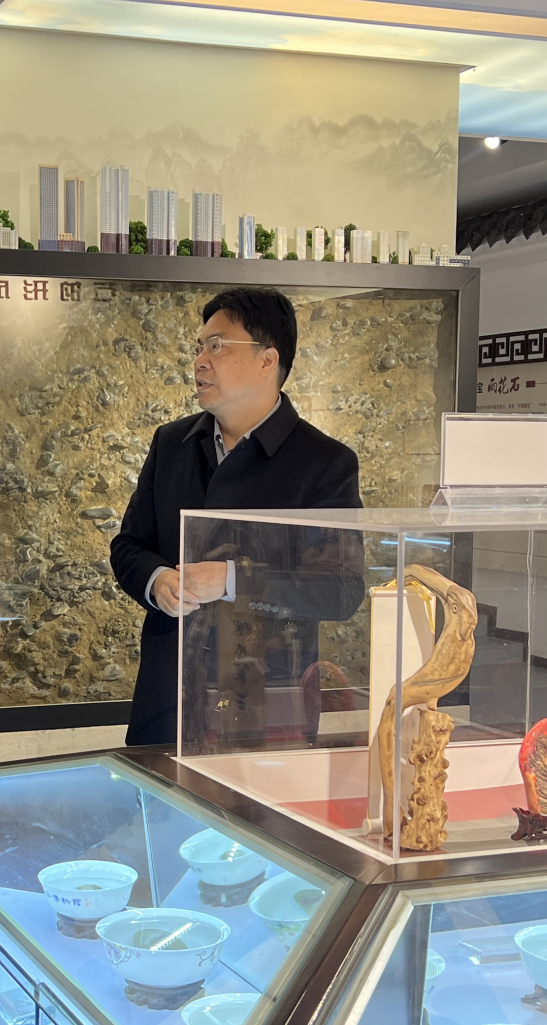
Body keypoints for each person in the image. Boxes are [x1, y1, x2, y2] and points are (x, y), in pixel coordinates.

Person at [110, 286, 365, 748]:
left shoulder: (324, 463)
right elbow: (128, 546)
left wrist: (231, 580)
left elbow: (340, 590)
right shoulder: (171, 445)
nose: (200, 361)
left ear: (268, 360)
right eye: (199, 347)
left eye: (217, 346)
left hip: (267, 702)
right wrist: (157, 579)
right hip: (170, 695)